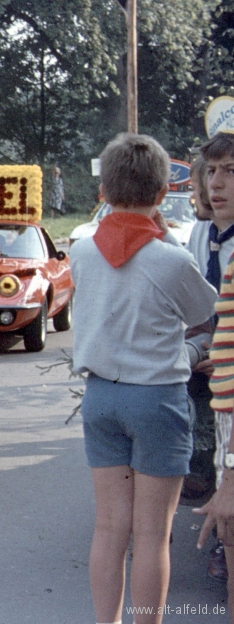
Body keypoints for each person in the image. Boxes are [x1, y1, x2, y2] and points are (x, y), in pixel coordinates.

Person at [70, 133, 217, 624]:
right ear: (161, 195)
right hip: (156, 399)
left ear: (104, 192)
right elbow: (205, 313)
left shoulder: (83, 252)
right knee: (153, 533)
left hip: (100, 398)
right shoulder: (170, 259)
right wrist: (194, 350)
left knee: (110, 528)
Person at [190, 133, 234, 606]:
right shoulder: (204, 234)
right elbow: (201, 306)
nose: (216, 183)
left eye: (230, 171)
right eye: (211, 171)